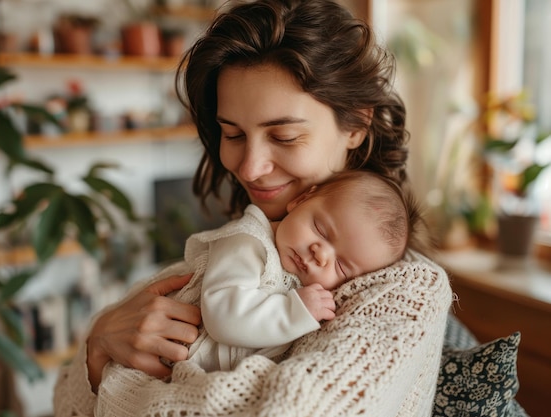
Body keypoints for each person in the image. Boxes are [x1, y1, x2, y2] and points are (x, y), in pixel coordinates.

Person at [54, 1, 452, 416]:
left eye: (283, 136)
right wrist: (99, 343)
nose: (249, 167)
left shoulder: (406, 291)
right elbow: (64, 402)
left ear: (355, 125)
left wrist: (114, 392)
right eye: (233, 133)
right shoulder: (249, 242)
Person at [162, 169, 417, 373]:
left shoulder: (302, 284)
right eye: (321, 229)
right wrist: (293, 312)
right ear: (301, 200)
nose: (321, 254)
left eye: (341, 266)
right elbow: (222, 316)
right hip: (162, 355)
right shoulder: (248, 241)